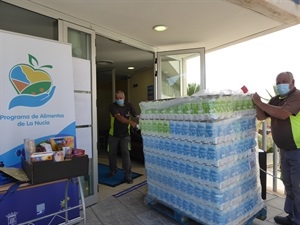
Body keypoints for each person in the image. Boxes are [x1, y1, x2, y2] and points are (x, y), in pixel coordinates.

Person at [252, 71, 300, 225]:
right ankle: (292, 217)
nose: (281, 85)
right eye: (278, 82)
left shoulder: (297, 96)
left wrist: (260, 102)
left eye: (284, 81)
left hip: (297, 150)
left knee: (298, 187)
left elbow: (283, 114)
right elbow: (261, 116)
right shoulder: (275, 99)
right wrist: (255, 103)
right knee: (290, 186)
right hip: (284, 151)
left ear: (293, 82)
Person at [107, 90, 138, 184]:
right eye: (117, 98)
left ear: (124, 98)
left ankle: (128, 175)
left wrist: (142, 119)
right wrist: (131, 122)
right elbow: (119, 117)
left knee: (126, 154)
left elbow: (136, 115)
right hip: (113, 135)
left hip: (125, 135)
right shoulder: (112, 106)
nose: (119, 100)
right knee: (112, 154)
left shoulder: (129, 106)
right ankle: (113, 170)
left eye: (121, 98)